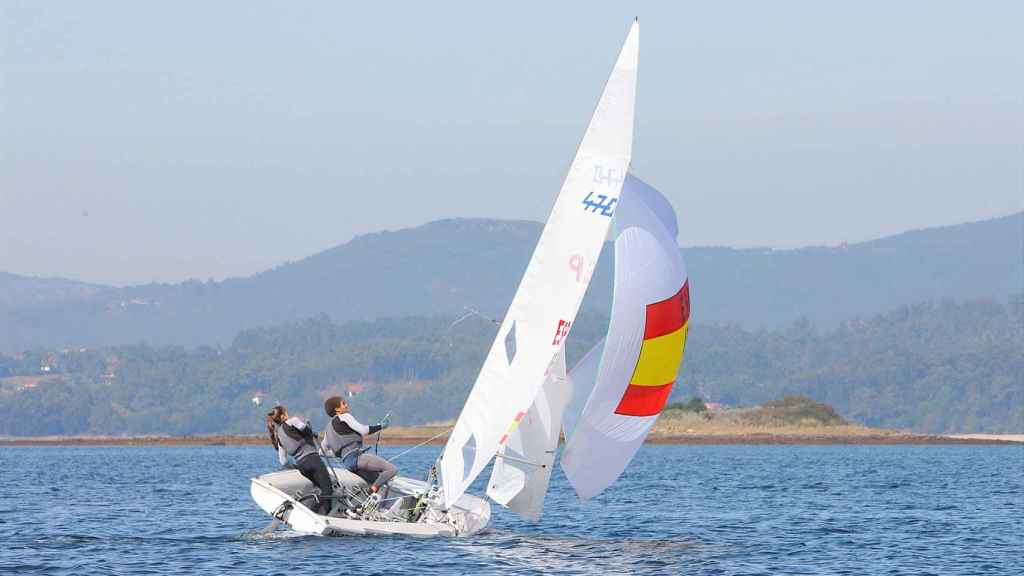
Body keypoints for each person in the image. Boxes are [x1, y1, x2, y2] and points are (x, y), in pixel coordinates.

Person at [321, 396, 398, 495]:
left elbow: (322, 451)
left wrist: (340, 453)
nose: (346, 405)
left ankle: (371, 495)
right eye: (343, 403)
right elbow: (363, 430)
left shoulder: (327, 428)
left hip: (348, 465)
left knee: (378, 480)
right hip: (357, 459)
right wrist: (381, 426)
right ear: (337, 409)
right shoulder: (344, 416)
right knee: (392, 469)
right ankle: (371, 490)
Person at [266, 405, 334, 515]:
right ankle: (320, 515)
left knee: (322, 489)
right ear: (282, 416)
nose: (288, 414)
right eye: (286, 412)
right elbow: (304, 428)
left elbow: (283, 461)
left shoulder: (279, 437)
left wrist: (296, 467)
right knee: (328, 491)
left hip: (302, 467)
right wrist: (312, 432)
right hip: (313, 460)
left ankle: (314, 512)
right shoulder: (292, 421)